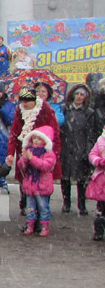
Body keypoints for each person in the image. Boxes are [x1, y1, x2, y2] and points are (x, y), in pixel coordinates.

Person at [6, 88, 62, 220]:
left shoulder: (45, 109)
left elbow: (56, 134)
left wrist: (55, 154)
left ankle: (42, 217)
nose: (24, 104)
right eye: (22, 101)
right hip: (25, 152)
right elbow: (14, 133)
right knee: (26, 183)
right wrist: (10, 154)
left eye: (26, 101)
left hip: (43, 153)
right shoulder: (20, 111)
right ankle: (29, 214)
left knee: (43, 184)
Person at [60, 84, 97, 215]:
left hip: (80, 148)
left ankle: (82, 205)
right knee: (65, 177)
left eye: (82, 95)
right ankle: (66, 203)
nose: (79, 97)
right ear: (73, 95)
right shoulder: (65, 110)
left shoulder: (89, 113)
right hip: (65, 148)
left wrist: (87, 150)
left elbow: (91, 133)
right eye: (77, 94)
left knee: (81, 179)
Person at [17, 125, 57, 237]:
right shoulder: (29, 151)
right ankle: (30, 225)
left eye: (39, 138)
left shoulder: (48, 153)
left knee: (43, 208)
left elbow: (44, 166)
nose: (35, 140)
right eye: (34, 138)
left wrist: (32, 158)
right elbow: (21, 165)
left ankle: (44, 226)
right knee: (30, 208)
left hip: (42, 185)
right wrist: (25, 158)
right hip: (30, 185)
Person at [86, 126, 105, 241]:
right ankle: (99, 230)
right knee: (101, 207)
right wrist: (98, 161)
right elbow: (92, 154)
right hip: (102, 179)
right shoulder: (101, 140)